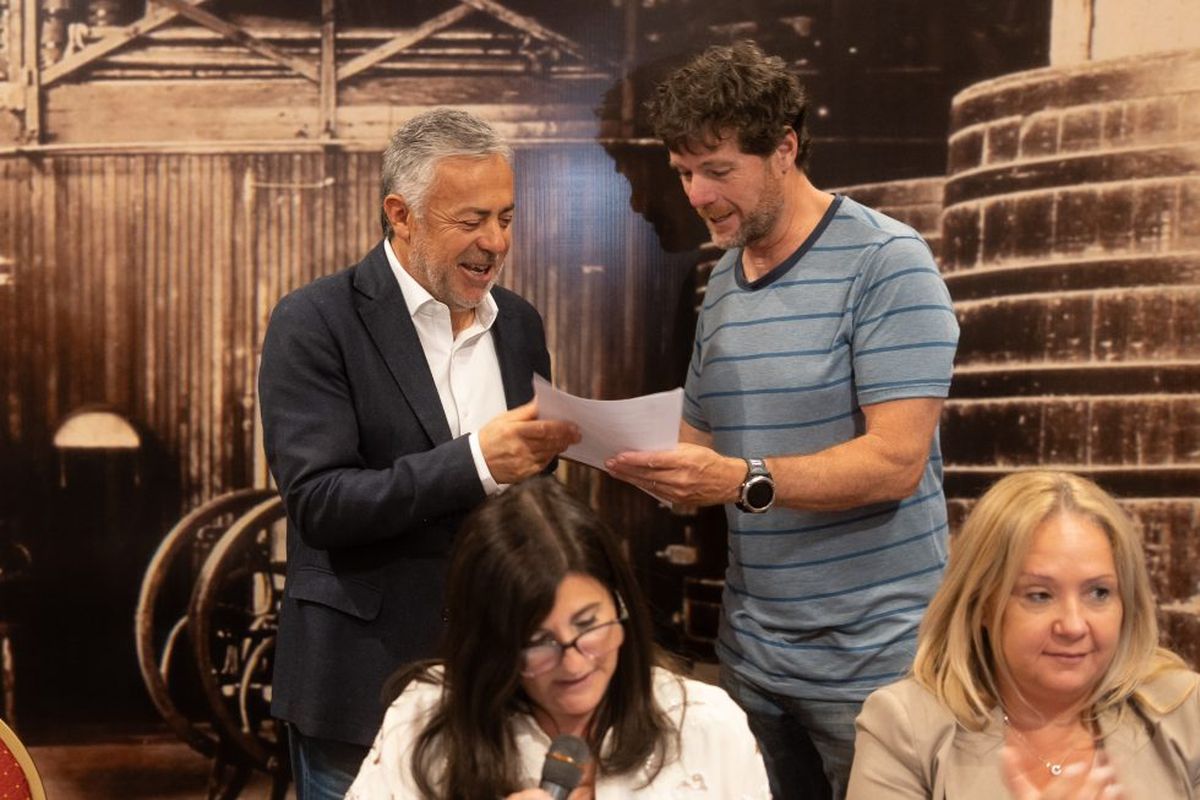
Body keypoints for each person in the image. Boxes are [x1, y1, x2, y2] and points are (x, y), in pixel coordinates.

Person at [603, 41, 960, 799]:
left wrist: (739, 479)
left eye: (719, 170)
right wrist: (609, 446)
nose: (697, 194)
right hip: (754, 662)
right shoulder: (728, 278)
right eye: (684, 173)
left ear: (786, 148)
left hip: (876, 666)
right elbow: (700, 445)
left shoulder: (887, 261)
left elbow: (896, 461)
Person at [258, 108, 580, 799]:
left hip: (501, 685)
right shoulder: (314, 321)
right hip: (360, 690)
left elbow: (527, 489)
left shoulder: (519, 323)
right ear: (401, 215)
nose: (495, 242)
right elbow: (319, 504)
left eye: (506, 217)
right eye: (471, 221)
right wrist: (477, 463)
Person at [345, 476, 770, 799]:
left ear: (622, 609)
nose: (574, 662)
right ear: (492, 644)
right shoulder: (427, 716)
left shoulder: (705, 723)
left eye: (588, 625)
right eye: (538, 640)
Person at [847, 470, 1200, 799]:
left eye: (1099, 593)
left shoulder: (1186, 710)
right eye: (1039, 596)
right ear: (982, 604)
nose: (1073, 626)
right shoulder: (904, 725)